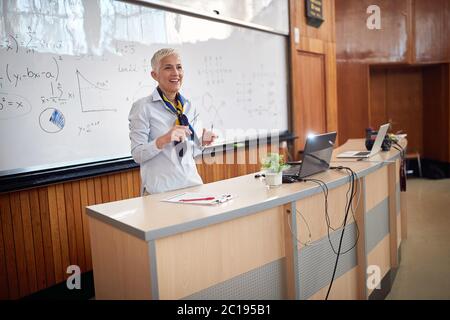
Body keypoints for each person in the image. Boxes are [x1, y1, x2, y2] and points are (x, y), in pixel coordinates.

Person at [128, 48, 217, 195]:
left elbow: (188, 153)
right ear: (154, 75)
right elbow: (137, 155)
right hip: (160, 192)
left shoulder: (188, 106)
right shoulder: (143, 107)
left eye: (179, 67)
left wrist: (201, 142)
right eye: (168, 68)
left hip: (192, 186)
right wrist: (163, 139)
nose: (176, 73)